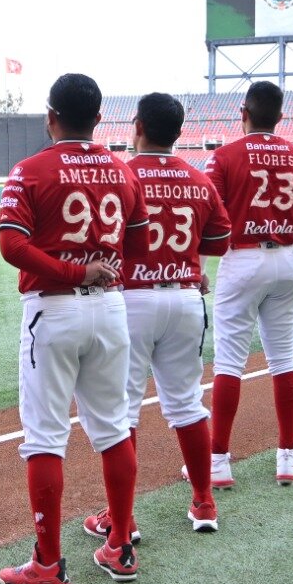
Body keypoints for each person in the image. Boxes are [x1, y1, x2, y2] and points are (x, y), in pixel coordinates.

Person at [0, 73, 149, 584]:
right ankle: (121, 546)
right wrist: (96, 267)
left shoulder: (30, 169)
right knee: (112, 428)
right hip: (109, 309)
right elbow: (141, 241)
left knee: (45, 436)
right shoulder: (121, 169)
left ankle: (47, 564)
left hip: (54, 308)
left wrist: (73, 270)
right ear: (99, 118)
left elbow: (12, 247)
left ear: (50, 114)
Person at [85, 92, 231, 538]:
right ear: (179, 132)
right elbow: (221, 238)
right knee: (186, 402)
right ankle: (204, 503)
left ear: (137, 126)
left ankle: (122, 520)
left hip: (131, 299)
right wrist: (188, 261)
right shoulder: (198, 178)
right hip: (184, 296)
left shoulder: (120, 173)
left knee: (122, 410)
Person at [202, 81, 293, 486]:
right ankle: (287, 459)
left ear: (244, 112)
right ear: (281, 116)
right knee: (284, 359)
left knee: (229, 364)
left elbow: (212, 221)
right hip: (288, 259)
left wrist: (200, 266)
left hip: (243, 257)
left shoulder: (223, 156)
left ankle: (218, 462)